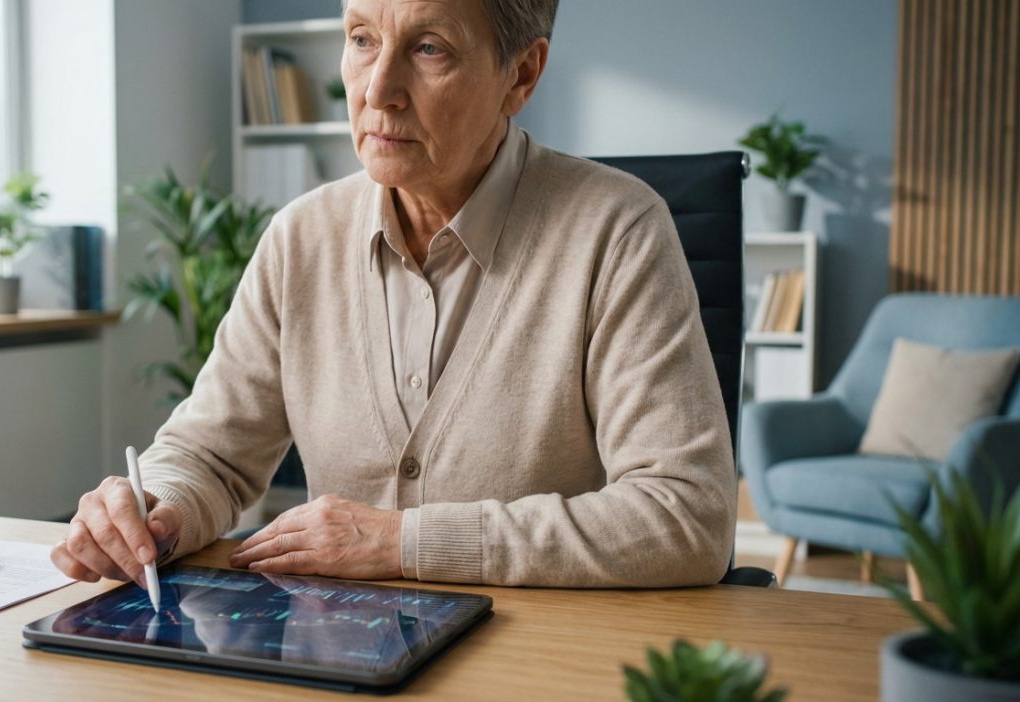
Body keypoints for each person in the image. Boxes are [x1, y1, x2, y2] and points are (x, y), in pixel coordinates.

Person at [51, 0, 736, 589]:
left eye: (429, 48)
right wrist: (155, 510)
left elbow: (685, 514)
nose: (378, 90)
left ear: (520, 74)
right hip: (339, 657)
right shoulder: (301, 237)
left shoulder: (617, 231)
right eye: (361, 39)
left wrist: (402, 543)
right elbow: (210, 457)